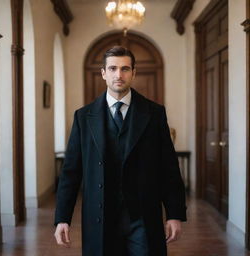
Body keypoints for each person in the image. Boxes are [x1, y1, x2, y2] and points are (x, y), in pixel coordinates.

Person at [54, 46, 187, 256]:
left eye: (125, 69)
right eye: (113, 68)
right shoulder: (83, 117)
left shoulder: (154, 113)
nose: (119, 75)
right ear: (103, 73)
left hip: (142, 216)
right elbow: (71, 171)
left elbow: (168, 167)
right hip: (100, 217)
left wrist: (174, 214)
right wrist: (62, 218)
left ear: (133, 73)